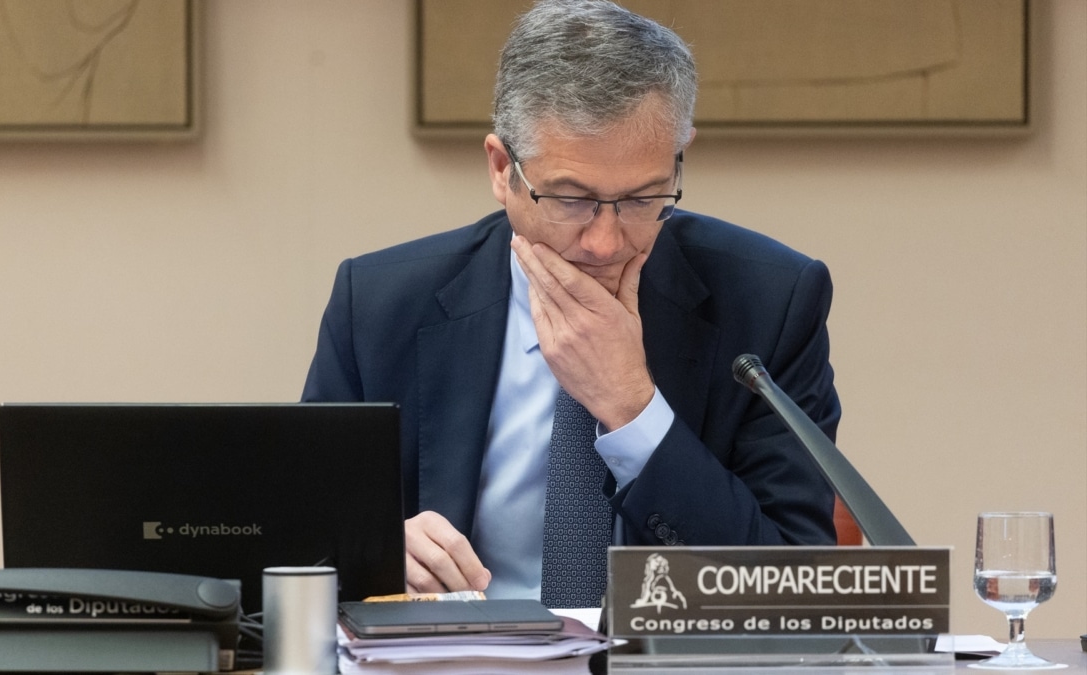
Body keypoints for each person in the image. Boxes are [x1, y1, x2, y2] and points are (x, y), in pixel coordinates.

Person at [302, 0, 839, 607]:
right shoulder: (379, 305)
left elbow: (791, 587)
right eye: (571, 198)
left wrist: (632, 407)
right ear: (503, 170)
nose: (606, 242)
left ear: (680, 154)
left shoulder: (771, 303)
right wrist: (373, 552)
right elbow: (294, 541)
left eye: (643, 198)